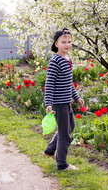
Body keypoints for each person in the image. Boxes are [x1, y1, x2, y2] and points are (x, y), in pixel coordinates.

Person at [43, 28, 84, 171]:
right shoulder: (55, 60)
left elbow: (68, 82)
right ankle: (62, 164)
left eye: (69, 41)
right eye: (63, 42)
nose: (67, 44)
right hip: (58, 103)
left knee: (70, 127)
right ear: (56, 43)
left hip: (66, 102)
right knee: (64, 134)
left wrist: (77, 97)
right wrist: (48, 103)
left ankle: (49, 151)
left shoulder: (68, 59)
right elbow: (49, 83)